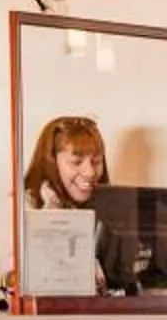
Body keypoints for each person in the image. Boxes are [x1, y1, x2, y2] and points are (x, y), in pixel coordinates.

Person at [21, 114, 116, 294]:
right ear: (51, 163)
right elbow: (11, 287)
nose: (89, 172)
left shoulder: (111, 208)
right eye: (76, 162)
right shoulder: (23, 209)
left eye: (96, 161)